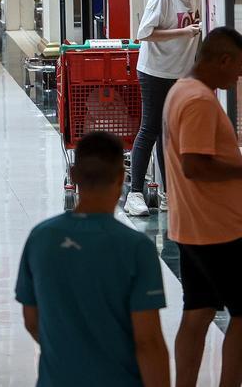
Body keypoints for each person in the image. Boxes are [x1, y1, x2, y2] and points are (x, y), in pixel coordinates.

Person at [16, 131, 170, 387]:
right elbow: (148, 341)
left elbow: (31, 320)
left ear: (74, 176)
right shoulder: (136, 248)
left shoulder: (41, 239)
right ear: (121, 178)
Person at [162, 27, 242, 387]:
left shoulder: (181, 89)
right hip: (219, 230)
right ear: (223, 60)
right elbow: (195, 165)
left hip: (191, 226)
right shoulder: (198, 101)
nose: (238, 77)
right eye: (238, 68)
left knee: (198, 311)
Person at [125, 0, 201, 217]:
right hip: (154, 71)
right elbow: (143, 33)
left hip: (180, 73)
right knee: (151, 128)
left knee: (170, 135)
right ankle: (134, 193)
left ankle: (169, 192)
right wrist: (184, 31)